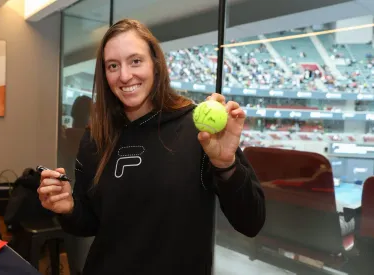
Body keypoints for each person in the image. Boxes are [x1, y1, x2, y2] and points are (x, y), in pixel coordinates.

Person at [38, 19, 265, 275]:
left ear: (156, 64)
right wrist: (69, 207)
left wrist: (227, 166)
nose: (124, 76)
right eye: (113, 66)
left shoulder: (199, 131)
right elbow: (89, 224)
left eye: (135, 61)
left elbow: (251, 222)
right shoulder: (95, 137)